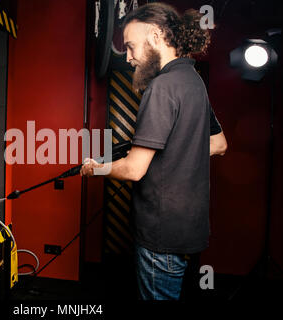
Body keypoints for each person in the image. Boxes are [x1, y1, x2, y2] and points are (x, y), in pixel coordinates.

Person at [80, 2, 227, 300]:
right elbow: (219, 143)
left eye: (132, 47)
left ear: (157, 35)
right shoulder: (193, 81)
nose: (130, 58)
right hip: (187, 230)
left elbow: (134, 169)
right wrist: (177, 153)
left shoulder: (161, 87)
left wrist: (96, 169)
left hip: (161, 233)